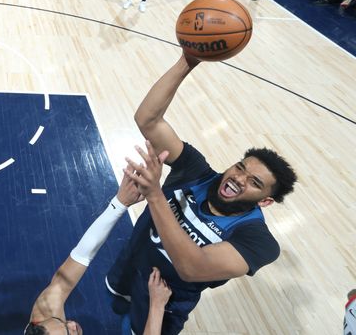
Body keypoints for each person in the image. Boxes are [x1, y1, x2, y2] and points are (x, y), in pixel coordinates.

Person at [105, 53, 297, 335]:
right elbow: (147, 120)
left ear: (265, 201)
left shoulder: (258, 241)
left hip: (161, 308)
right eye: (240, 167)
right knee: (112, 310)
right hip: (128, 267)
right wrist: (188, 60)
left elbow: (192, 268)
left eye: (254, 182)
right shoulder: (195, 170)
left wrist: (155, 195)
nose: (238, 179)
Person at [25, 168, 171, 335]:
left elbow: (81, 255)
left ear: (37, 322)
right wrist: (157, 305)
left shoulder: (44, 311)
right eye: (68, 333)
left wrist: (119, 203)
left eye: (61, 322)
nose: (72, 325)